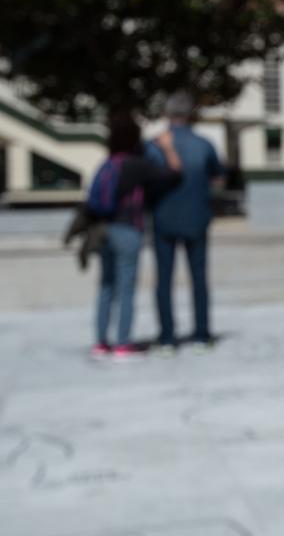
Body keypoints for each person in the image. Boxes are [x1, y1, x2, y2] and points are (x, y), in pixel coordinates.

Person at [89, 114, 181, 360]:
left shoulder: (107, 163)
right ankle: (122, 342)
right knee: (126, 288)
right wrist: (168, 147)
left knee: (106, 287)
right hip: (127, 230)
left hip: (103, 230)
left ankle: (100, 342)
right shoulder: (136, 164)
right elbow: (173, 174)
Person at [146, 91, 224, 353]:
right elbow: (217, 178)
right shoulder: (204, 144)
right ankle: (201, 335)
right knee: (199, 279)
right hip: (197, 217)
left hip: (163, 219)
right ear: (191, 114)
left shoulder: (154, 145)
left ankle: (167, 338)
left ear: (167, 115)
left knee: (164, 280)